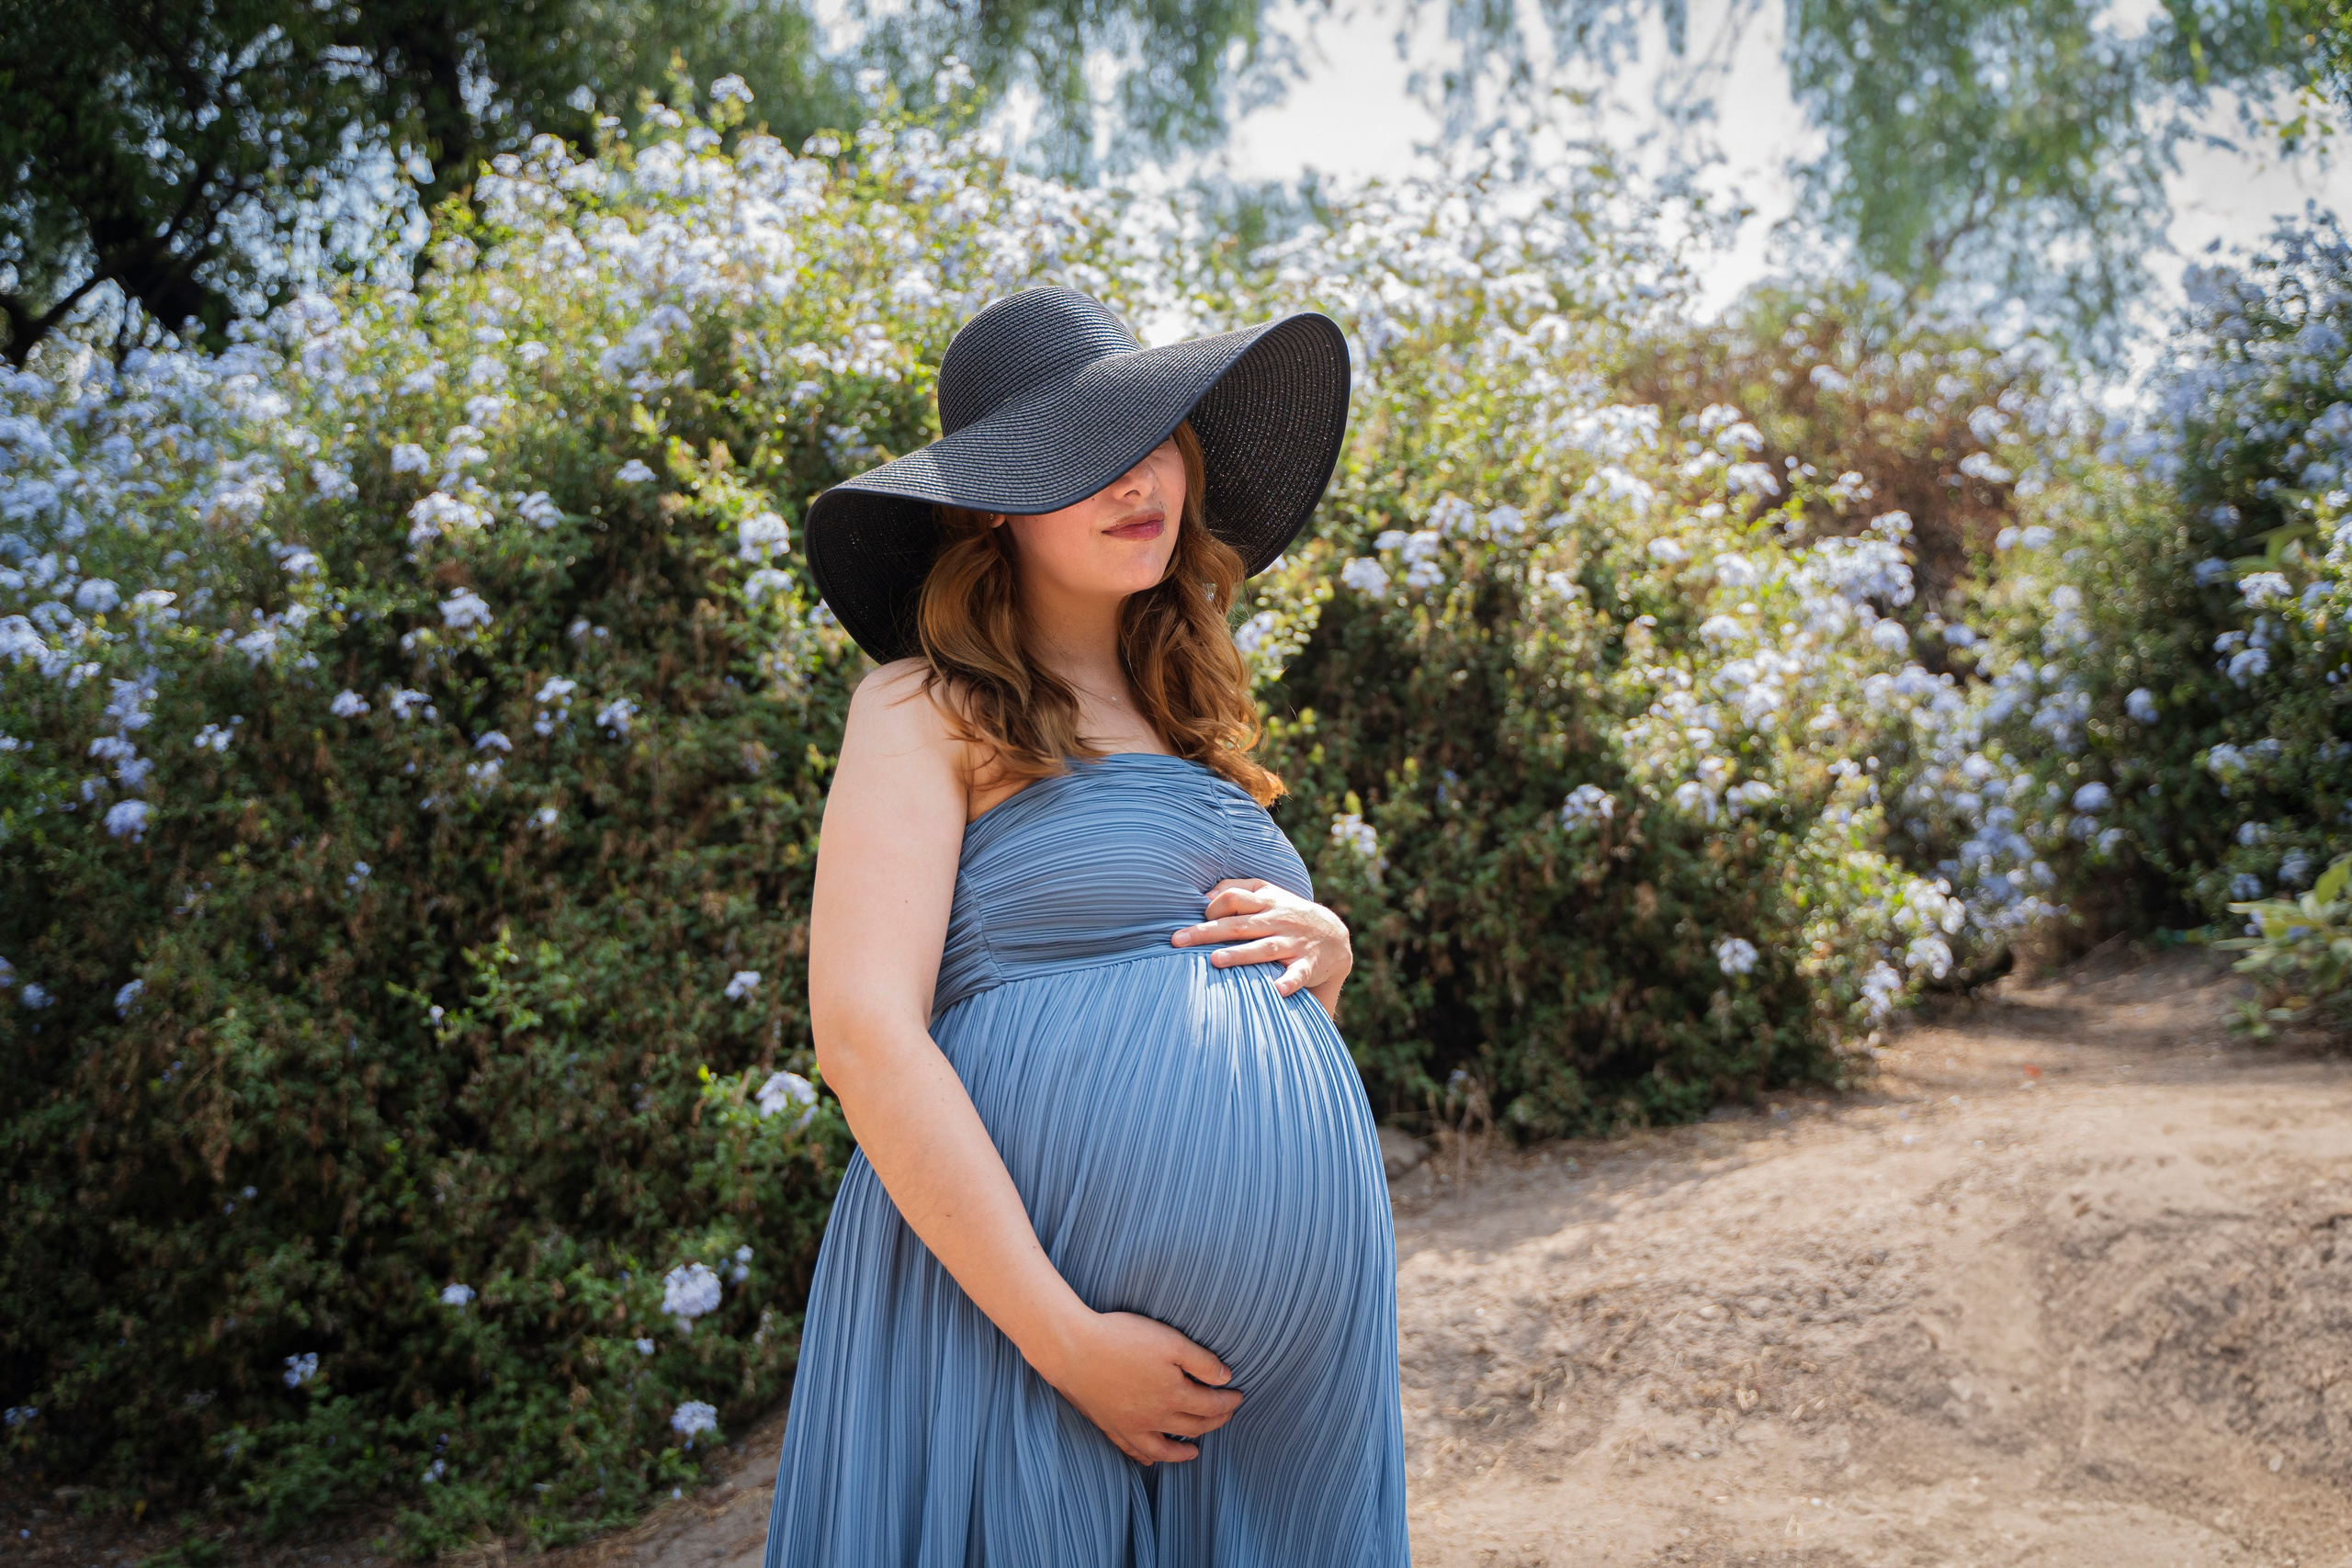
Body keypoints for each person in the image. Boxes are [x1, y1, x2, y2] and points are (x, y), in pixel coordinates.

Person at [761, 287, 1408, 1564]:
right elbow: (865, 1037)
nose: (1140, 477)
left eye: (1155, 434)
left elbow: (1204, 1000)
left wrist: (1321, 958)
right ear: (990, 505)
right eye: (1083, 456)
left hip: (1279, 1402)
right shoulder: (920, 708)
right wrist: (1064, 1339)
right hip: (1023, 1334)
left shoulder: (1190, 723)